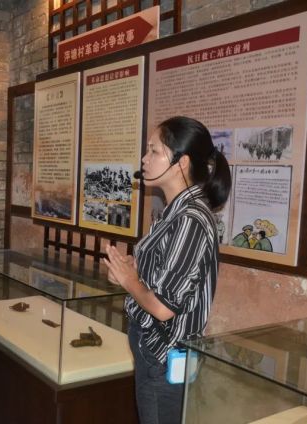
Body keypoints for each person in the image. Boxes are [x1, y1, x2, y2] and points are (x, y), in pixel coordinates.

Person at [103, 116, 231, 424]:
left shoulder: (190, 219)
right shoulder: (172, 212)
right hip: (153, 353)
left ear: (181, 162)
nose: (145, 159)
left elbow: (163, 307)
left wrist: (130, 280)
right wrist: (133, 271)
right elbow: (165, 280)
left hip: (163, 355)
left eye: (154, 151)